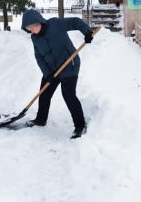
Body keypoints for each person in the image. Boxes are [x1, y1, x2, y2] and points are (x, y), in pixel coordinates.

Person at [21, 9, 94, 139]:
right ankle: (41, 119)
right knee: (44, 93)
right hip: (52, 69)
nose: (30, 32)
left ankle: (80, 125)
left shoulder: (55, 24)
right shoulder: (35, 38)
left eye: (31, 28)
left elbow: (75, 22)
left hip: (69, 65)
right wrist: (47, 73)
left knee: (68, 95)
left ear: (37, 23)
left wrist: (87, 32)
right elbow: (39, 57)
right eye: (28, 29)